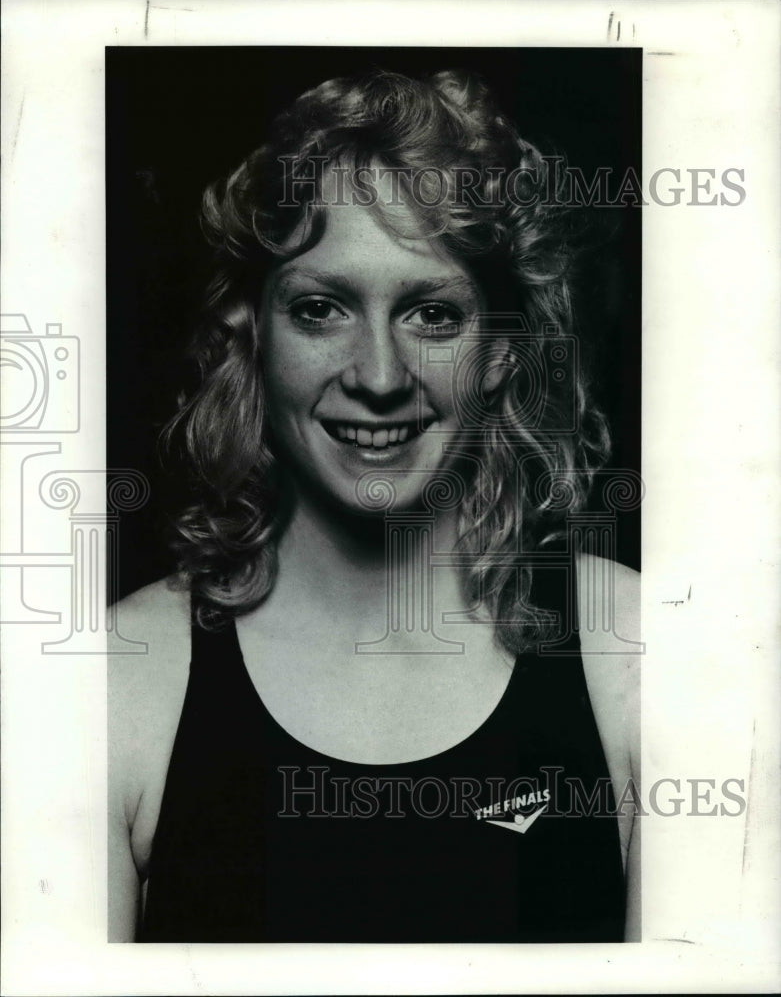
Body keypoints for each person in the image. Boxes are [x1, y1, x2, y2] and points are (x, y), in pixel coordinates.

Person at [109, 69, 640, 943]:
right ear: (254, 330)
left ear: (503, 352)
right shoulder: (118, 682)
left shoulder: (636, 655)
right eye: (321, 309)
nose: (379, 377)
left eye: (432, 314)